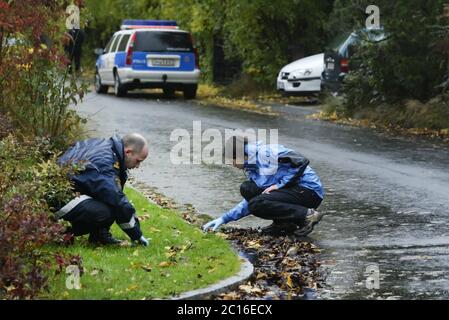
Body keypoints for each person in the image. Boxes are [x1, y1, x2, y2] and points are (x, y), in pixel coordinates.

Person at [203, 136, 325, 236]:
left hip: (309, 192)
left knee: (256, 204)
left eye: (231, 160)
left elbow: (301, 161)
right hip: (291, 192)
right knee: (248, 189)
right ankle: (284, 224)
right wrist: (224, 218)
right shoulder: (251, 167)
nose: (230, 164)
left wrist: (279, 185)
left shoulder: (266, 153)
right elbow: (253, 200)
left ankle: (308, 215)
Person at [56, 133, 150, 246]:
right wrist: (137, 234)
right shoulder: (105, 163)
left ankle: (100, 236)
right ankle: (61, 233)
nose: (138, 166)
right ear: (128, 152)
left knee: (106, 199)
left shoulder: (104, 146)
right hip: (59, 199)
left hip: (60, 191)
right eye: (138, 161)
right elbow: (117, 200)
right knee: (107, 211)